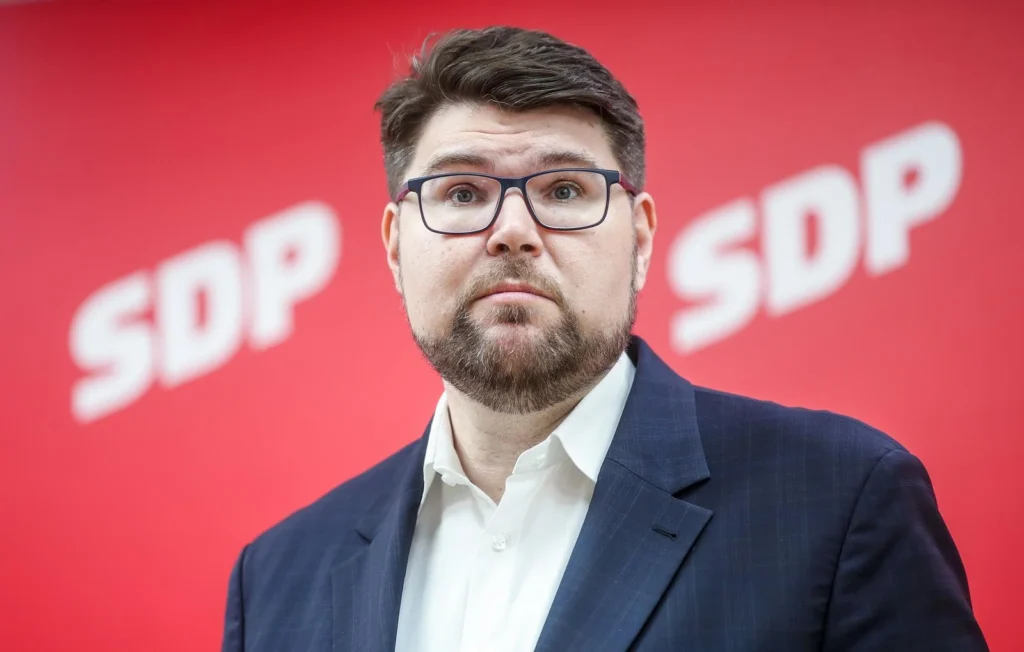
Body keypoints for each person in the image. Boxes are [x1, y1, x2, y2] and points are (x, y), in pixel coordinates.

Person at [221, 26, 988, 652]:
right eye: (461, 192)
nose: (512, 231)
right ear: (396, 246)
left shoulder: (841, 501)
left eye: (564, 190)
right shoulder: (279, 578)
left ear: (641, 239)